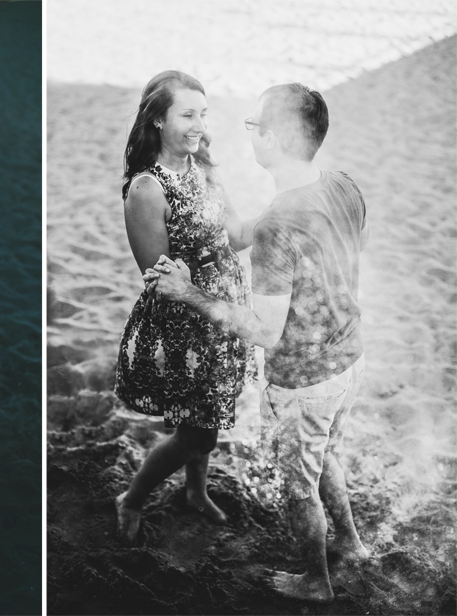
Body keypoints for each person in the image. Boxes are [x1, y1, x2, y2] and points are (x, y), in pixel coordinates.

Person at [148, 83, 370, 603]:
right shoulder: (341, 184)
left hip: (304, 381)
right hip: (350, 358)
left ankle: (315, 581)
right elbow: (260, 233)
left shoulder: (279, 224)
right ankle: (352, 544)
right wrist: (213, 177)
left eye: (254, 126)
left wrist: (187, 292)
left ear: (272, 138)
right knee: (325, 456)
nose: (249, 135)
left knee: (298, 484)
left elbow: (264, 331)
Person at [113, 70, 258, 545]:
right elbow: (159, 280)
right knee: (198, 434)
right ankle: (132, 499)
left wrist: (285, 214)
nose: (199, 126)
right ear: (158, 119)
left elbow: (238, 236)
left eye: (203, 114)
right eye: (188, 115)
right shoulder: (147, 189)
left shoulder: (205, 168)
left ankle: (195, 491)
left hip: (224, 314)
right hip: (186, 326)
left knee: (207, 418)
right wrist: (202, 294)